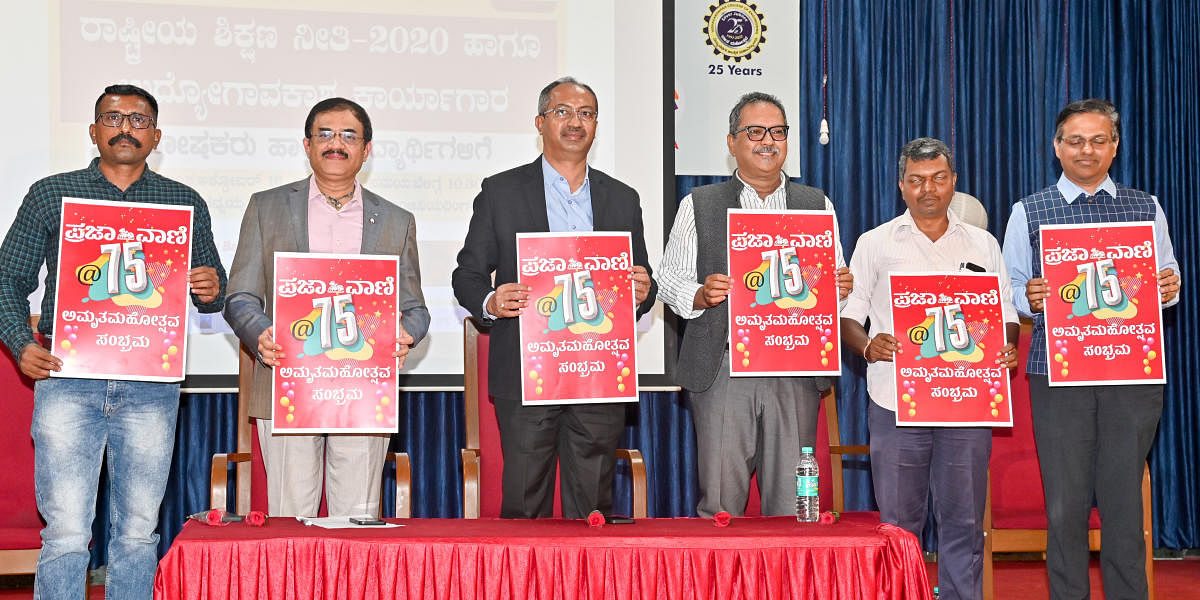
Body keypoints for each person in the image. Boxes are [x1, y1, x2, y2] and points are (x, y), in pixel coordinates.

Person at [0, 84, 225, 599]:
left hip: (150, 385)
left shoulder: (184, 202)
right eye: (114, 117)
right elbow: (7, 278)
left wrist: (213, 288)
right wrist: (19, 341)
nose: (126, 127)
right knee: (66, 532)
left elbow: (213, 293)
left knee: (138, 532)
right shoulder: (51, 194)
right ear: (94, 130)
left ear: (157, 135)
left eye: (139, 120)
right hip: (67, 379)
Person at [452, 76, 656, 519]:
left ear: (597, 126)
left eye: (585, 113)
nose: (574, 122)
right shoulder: (501, 191)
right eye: (562, 111)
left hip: (598, 375)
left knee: (593, 512)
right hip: (529, 374)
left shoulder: (622, 198)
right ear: (540, 123)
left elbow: (642, 279)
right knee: (525, 506)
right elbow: (466, 275)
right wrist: (491, 301)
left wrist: (642, 290)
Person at [1001, 99, 1180, 600]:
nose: (1087, 150)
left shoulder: (1146, 206)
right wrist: (1028, 296)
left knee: (1124, 502)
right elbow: (1008, 289)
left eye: (1098, 140)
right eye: (1075, 141)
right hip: (1057, 377)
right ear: (1057, 147)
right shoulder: (1028, 210)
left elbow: (1168, 274)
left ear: (1115, 146)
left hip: (1131, 375)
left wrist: (1169, 286)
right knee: (1065, 504)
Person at [224, 97, 429, 518]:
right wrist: (259, 331)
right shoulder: (267, 206)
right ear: (307, 144)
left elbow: (415, 309)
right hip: (287, 384)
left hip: (363, 392)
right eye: (326, 134)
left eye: (349, 136)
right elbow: (239, 295)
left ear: (366, 150)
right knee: (290, 519)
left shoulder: (396, 219)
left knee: (355, 522)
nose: (337, 144)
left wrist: (407, 332)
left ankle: (350, 590)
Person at [656, 91, 852, 518]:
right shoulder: (699, 204)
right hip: (724, 368)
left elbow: (832, 280)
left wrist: (840, 286)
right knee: (722, 504)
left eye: (778, 132)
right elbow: (667, 280)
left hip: (795, 369)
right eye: (755, 132)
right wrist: (700, 293)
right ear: (732, 143)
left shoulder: (817, 205)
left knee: (793, 505)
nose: (769, 141)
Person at [841, 138, 1019, 600]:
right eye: (917, 180)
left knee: (962, 518)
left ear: (953, 183)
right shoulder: (875, 242)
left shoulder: (983, 243)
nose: (928, 189)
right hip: (896, 403)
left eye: (939, 178)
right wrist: (868, 346)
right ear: (901, 186)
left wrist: (1010, 346)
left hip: (968, 402)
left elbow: (1007, 316)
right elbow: (847, 316)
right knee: (900, 523)